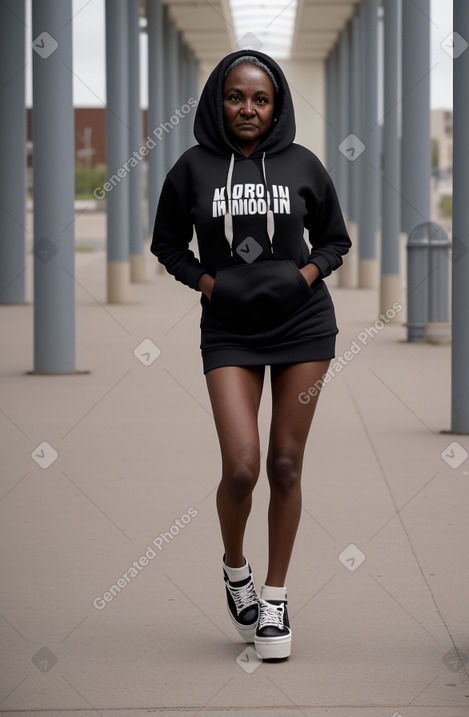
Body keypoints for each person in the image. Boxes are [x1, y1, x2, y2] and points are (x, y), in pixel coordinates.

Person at [151, 49, 351, 660]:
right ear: (218, 100)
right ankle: (235, 568)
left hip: (304, 327)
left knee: (285, 465)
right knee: (242, 466)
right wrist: (212, 285)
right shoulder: (190, 169)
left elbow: (336, 240)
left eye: (260, 99)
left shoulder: (303, 165)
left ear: (276, 106)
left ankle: (275, 598)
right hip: (231, 333)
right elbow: (166, 245)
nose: (247, 108)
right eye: (236, 96)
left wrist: (305, 276)